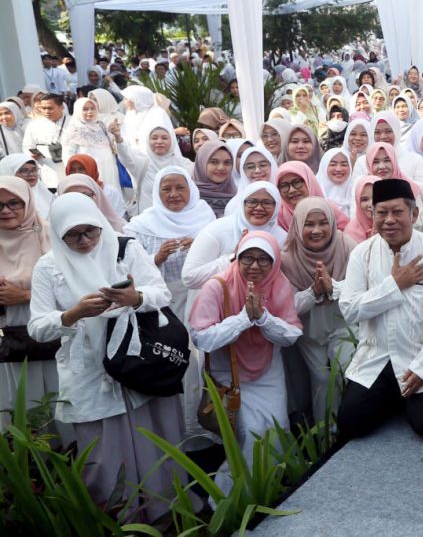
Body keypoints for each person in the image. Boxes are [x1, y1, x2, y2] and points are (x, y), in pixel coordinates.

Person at [29, 192, 182, 522]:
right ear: (58, 233)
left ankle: (165, 515)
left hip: (137, 364)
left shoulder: (124, 249)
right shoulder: (48, 266)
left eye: (91, 231)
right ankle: (119, 520)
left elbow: (161, 293)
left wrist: (135, 297)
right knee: (104, 454)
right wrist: (72, 314)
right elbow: (37, 327)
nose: (84, 241)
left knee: (152, 444)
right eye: (73, 234)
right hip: (90, 374)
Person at [337, 179, 423, 440]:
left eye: (397, 212)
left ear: (413, 214)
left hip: (421, 355)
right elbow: (350, 309)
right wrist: (395, 285)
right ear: (372, 215)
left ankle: (404, 397)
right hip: (378, 357)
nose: (389, 220)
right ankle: (392, 396)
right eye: (381, 212)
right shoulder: (362, 254)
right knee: (350, 423)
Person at [190, 232, 303, 493]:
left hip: (268, 373)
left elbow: (291, 335)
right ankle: (233, 497)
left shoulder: (279, 285)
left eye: (264, 259)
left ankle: (270, 489)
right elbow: (201, 338)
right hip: (230, 375)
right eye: (248, 258)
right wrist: (243, 319)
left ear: (274, 263)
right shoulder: (217, 286)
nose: (255, 266)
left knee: (276, 429)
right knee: (250, 436)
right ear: (236, 258)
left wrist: (263, 318)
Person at [280, 197, 357, 425]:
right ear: (297, 226)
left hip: (342, 325)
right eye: (308, 224)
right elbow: (287, 307)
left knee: (346, 370)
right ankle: (326, 434)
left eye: (323, 223)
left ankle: (352, 426)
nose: (316, 230)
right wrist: (313, 292)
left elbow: (359, 292)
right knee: (322, 378)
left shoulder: (347, 247)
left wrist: (333, 288)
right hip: (309, 332)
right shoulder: (287, 258)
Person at [0, 177, 60, 435]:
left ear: (28, 202)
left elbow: (68, 285)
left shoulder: (49, 235)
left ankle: (61, 459)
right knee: (13, 394)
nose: (6, 210)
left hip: (45, 328)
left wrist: (24, 295)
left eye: (14, 203)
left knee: (52, 393)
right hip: (5, 335)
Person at [22, 94, 69, 188]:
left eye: (50, 108)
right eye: (43, 108)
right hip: (45, 167)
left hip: (68, 166)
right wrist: (31, 154)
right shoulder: (34, 125)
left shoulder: (73, 123)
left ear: (61, 107)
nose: (46, 111)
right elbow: (27, 146)